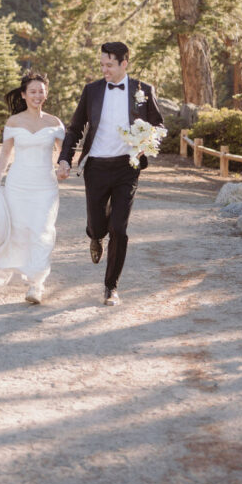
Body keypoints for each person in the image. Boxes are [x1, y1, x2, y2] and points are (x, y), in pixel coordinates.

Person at [58, 41, 163, 306]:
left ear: (124, 63)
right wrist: (65, 159)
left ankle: (111, 287)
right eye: (102, 64)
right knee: (97, 224)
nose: (104, 69)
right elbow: (76, 127)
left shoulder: (143, 90)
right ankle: (95, 237)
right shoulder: (92, 91)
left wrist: (145, 147)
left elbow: (158, 126)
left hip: (127, 167)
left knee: (119, 227)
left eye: (109, 65)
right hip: (96, 166)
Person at [0, 73, 67, 305]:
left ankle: (36, 284)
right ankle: (23, 272)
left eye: (41, 91)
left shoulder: (55, 123)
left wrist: (64, 167)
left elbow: (63, 154)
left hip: (46, 186)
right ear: (24, 95)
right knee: (18, 230)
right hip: (18, 184)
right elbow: (5, 153)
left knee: (42, 230)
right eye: (33, 91)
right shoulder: (14, 122)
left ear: (46, 94)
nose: (38, 95)